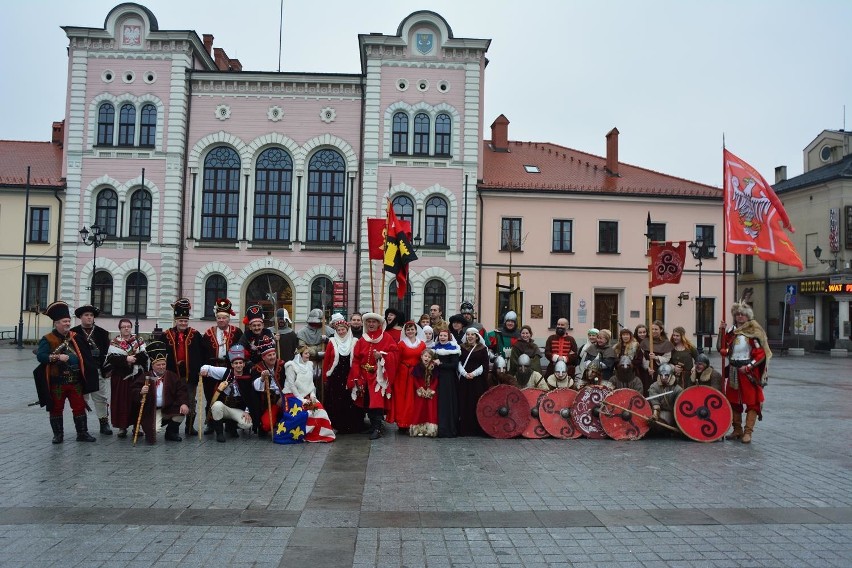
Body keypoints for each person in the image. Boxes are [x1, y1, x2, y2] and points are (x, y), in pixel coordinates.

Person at [34, 301, 99, 443]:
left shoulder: (75, 337)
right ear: (56, 323)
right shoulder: (47, 339)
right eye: (64, 321)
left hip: (75, 381)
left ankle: (82, 433)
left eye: (69, 321)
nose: (67, 324)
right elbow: (41, 356)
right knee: (56, 408)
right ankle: (58, 435)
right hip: (57, 382)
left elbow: (85, 355)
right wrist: (57, 357)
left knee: (79, 407)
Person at [717, 301, 771, 444]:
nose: (740, 317)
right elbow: (721, 348)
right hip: (734, 370)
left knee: (752, 402)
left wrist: (749, 367)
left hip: (748, 373)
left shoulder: (753, 332)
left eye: (742, 314)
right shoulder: (731, 332)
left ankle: (748, 432)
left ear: (748, 316)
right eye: (737, 314)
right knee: (734, 401)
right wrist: (721, 331)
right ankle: (737, 430)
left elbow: (760, 354)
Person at [347, 312, 399, 440]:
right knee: (367, 401)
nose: (371, 324)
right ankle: (372, 425)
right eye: (369, 322)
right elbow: (356, 359)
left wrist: (382, 356)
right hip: (364, 376)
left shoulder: (386, 337)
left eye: (373, 322)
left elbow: (394, 354)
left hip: (378, 376)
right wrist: (356, 375)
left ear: (379, 324)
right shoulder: (362, 339)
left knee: (376, 402)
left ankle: (378, 427)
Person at [132, 341, 189, 443]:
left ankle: (170, 432)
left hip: (168, 407)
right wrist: (140, 391)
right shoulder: (146, 377)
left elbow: (181, 390)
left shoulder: (172, 376)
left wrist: (184, 403)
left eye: (163, 364)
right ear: (153, 365)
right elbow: (134, 390)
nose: (162, 367)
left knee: (182, 412)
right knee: (153, 432)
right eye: (159, 365)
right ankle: (151, 426)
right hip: (152, 410)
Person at [163, 298, 205, 437]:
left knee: (191, 400)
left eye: (185, 321)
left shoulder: (195, 334)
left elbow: (202, 353)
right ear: (176, 320)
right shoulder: (166, 335)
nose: (183, 323)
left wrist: (200, 368)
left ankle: (189, 426)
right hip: (172, 375)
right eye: (181, 321)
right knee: (174, 400)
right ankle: (172, 427)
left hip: (190, 375)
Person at [201, 297, 243, 435]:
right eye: (219, 318)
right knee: (211, 396)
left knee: (231, 396)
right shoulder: (208, 334)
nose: (221, 320)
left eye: (224, 317)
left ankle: (231, 425)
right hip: (213, 368)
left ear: (229, 318)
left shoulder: (237, 332)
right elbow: (203, 351)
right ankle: (211, 423)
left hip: (230, 369)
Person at [71, 305, 112, 435]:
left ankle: (104, 423)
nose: (89, 317)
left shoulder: (102, 333)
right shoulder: (73, 333)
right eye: (86, 315)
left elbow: (107, 353)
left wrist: (106, 369)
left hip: (97, 370)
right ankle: (82, 427)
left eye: (91, 315)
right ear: (80, 317)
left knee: (101, 398)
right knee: (82, 399)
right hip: (81, 372)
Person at [199, 344, 253, 442]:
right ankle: (219, 433)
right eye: (236, 363)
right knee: (216, 406)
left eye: (240, 363)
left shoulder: (247, 377)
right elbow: (207, 368)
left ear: (244, 364)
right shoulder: (225, 372)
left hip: (237, 409)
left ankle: (231, 426)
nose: (238, 365)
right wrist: (203, 370)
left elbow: (250, 397)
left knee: (247, 424)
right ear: (232, 365)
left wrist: (247, 411)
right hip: (225, 408)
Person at [104, 318, 148, 439]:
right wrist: (125, 359)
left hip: (136, 377)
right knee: (121, 402)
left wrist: (134, 359)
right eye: (124, 327)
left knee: (136, 401)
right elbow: (111, 359)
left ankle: (137, 426)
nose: (126, 328)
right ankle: (122, 427)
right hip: (120, 377)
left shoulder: (138, 341)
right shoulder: (114, 342)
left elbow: (144, 355)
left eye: (128, 326)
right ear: (120, 328)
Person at [281, 345, 335, 442]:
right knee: (305, 412)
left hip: (307, 394)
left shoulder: (309, 364)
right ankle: (303, 434)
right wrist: (301, 399)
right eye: (306, 353)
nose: (308, 355)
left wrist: (312, 395)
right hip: (292, 395)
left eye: (308, 353)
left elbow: (310, 383)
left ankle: (322, 435)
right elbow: (292, 385)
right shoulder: (291, 366)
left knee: (319, 408)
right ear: (300, 355)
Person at [322, 313, 364, 434]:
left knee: (350, 400)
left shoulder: (355, 341)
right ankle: (336, 424)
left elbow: (358, 358)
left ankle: (350, 425)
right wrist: (325, 376)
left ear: (347, 330)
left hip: (349, 374)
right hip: (335, 375)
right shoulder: (332, 341)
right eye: (339, 330)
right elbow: (327, 361)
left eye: (343, 329)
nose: (341, 332)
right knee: (335, 401)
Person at [391, 321, 426, 433]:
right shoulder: (401, 344)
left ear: (416, 330)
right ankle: (402, 423)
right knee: (403, 398)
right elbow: (396, 360)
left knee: (415, 399)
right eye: (408, 329)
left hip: (417, 374)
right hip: (403, 375)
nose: (410, 331)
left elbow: (425, 359)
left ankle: (414, 422)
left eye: (412, 329)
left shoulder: (422, 344)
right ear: (405, 331)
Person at [250, 336, 286, 435]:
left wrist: (283, 397)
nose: (272, 357)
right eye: (269, 355)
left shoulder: (283, 365)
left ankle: (281, 423)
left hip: (284, 399)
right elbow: (256, 387)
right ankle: (273, 423)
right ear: (263, 357)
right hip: (267, 403)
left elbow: (290, 383)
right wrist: (262, 378)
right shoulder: (257, 368)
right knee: (266, 425)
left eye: (274, 354)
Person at [457, 328, 489, 436]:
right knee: (464, 402)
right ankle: (464, 429)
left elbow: (484, 365)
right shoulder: (461, 348)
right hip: (464, 380)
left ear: (476, 336)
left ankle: (476, 429)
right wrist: (464, 373)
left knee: (476, 402)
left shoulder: (482, 348)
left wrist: (473, 374)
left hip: (477, 381)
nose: (470, 336)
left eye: (472, 335)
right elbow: (458, 362)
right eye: (468, 334)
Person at [297, 308, 334, 397]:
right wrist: (317, 353)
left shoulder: (328, 330)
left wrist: (327, 340)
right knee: (308, 387)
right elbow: (302, 348)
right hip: (309, 361)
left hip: (324, 362)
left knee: (323, 387)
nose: (315, 324)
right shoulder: (302, 332)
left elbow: (334, 345)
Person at [432, 327, 461, 438]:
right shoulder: (435, 348)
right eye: (441, 335)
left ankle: (448, 429)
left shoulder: (453, 349)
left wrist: (440, 364)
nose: (442, 337)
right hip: (437, 378)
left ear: (448, 337)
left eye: (444, 335)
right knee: (438, 403)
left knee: (447, 403)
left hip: (448, 380)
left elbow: (454, 365)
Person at [409, 349, 438, 437]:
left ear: (431, 358)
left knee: (430, 410)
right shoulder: (418, 367)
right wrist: (420, 389)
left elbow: (436, 380)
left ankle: (430, 430)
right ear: (421, 357)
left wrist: (431, 389)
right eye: (425, 356)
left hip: (430, 392)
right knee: (419, 409)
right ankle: (418, 429)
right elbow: (415, 379)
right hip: (421, 392)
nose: (427, 358)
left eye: (429, 357)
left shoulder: (434, 367)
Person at [647, 363, 683, 433]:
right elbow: (655, 403)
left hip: (672, 412)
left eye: (666, 375)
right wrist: (655, 415)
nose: (663, 378)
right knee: (652, 422)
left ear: (670, 376)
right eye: (661, 375)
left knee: (663, 423)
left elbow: (679, 407)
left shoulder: (677, 389)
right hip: (658, 412)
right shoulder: (654, 387)